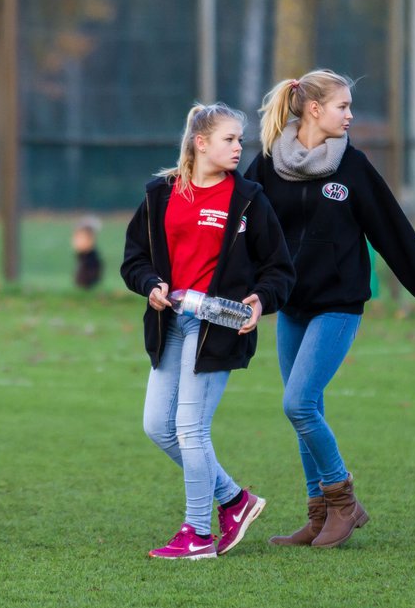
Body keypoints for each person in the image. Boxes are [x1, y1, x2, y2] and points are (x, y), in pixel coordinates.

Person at [246, 69, 415, 549]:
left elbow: (392, 230)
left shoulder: (352, 167)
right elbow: (241, 229)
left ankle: (343, 502)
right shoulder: (267, 165)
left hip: (338, 304)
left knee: (298, 403)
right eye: (343, 106)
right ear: (313, 109)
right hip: (292, 305)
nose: (351, 115)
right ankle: (318, 515)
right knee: (304, 410)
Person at [121, 103, 295, 559]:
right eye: (230, 139)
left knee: (191, 429)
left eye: (240, 139)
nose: (240, 147)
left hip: (218, 327)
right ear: (201, 143)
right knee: (158, 427)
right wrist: (151, 285)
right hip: (170, 324)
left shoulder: (250, 199)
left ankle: (197, 533)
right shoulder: (160, 193)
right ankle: (235, 500)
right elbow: (133, 259)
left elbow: (279, 269)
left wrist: (260, 300)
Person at [72, 215, 103, 290]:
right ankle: (84, 285)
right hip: (85, 254)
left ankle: (86, 284)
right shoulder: (80, 234)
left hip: (88, 254)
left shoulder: (93, 255)